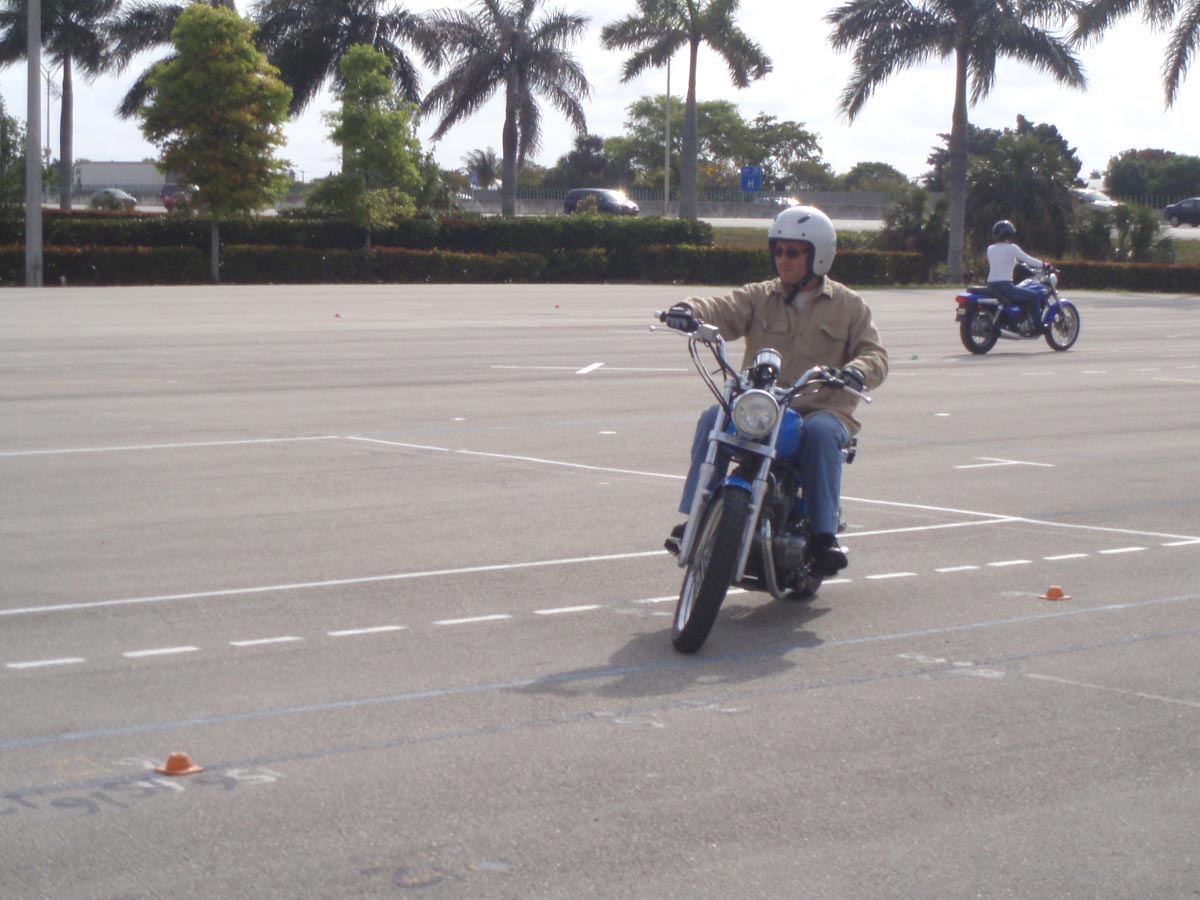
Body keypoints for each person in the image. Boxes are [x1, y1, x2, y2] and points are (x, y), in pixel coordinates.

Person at [662, 205, 888, 575]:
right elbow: (722, 307)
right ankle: (696, 517)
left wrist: (857, 371)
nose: (784, 259)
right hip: (761, 405)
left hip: (819, 407)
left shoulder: (849, 306)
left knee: (822, 434)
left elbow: (875, 353)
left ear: (818, 256)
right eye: (779, 251)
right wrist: (688, 310)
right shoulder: (759, 296)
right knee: (712, 418)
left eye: (794, 252)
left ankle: (824, 536)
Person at [986, 220, 1045, 333]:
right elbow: (1028, 260)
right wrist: (1044, 265)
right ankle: (1038, 327)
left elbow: (1002, 262)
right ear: (1009, 234)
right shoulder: (1012, 248)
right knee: (1034, 296)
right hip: (1005, 286)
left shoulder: (990, 249)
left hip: (991, 285)